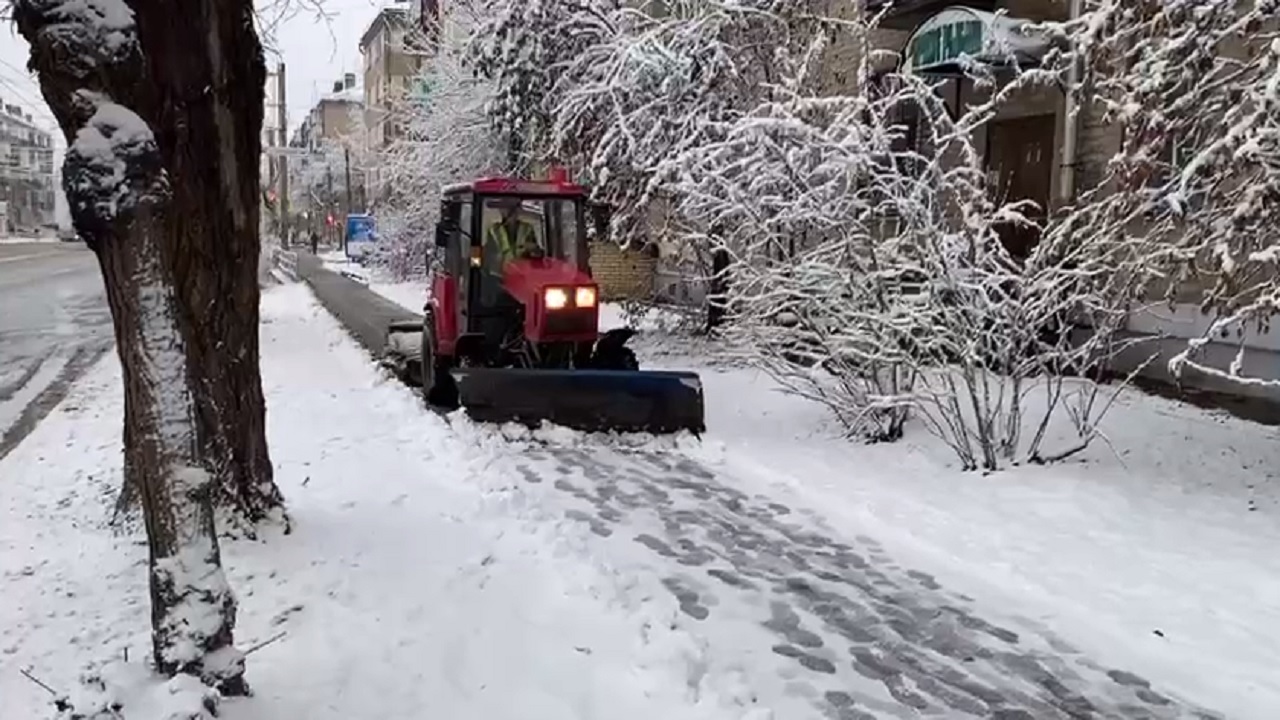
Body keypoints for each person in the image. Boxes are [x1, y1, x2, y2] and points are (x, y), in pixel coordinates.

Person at [482, 201, 541, 278]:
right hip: (499, 274)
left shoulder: (527, 228)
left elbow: (536, 253)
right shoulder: (494, 229)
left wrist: (533, 249)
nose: (504, 212)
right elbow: (488, 254)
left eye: (510, 210)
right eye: (502, 210)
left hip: (521, 274)